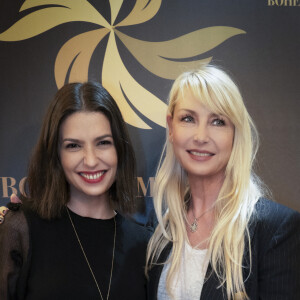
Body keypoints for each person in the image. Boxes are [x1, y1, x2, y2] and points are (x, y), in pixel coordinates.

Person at [146, 65, 300, 299]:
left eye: (217, 122)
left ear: (235, 133)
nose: (200, 137)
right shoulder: (161, 223)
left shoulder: (274, 228)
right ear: (170, 127)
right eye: (188, 119)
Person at [0, 82, 151, 300]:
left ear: (119, 148)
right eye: (73, 146)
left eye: (103, 143)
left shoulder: (144, 244)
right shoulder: (22, 228)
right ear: (56, 154)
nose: (90, 160)